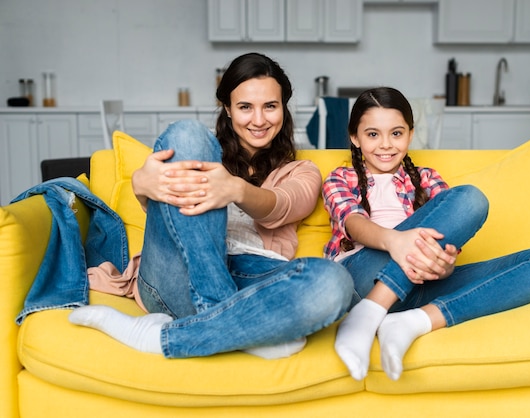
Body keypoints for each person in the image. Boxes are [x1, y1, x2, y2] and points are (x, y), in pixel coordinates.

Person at [69, 52, 353, 359]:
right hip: (176, 275)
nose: (259, 120)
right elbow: (168, 217)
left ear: (283, 108)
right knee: (186, 134)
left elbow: (280, 206)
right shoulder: (199, 155)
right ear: (228, 110)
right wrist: (141, 184)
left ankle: (173, 336)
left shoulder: (302, 170)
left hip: (253, 275)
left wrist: (233, 189)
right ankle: (236, 320)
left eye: (270, 106)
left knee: (334, 282)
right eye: (245, 107)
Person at [322, 87, 530, 381]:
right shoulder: (342, 177)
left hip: (421, 287)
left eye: (396, 133)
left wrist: (444, 264)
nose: (385, 144)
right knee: (472, 198)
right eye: (373, 134)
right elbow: (353, 223)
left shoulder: (426, 178)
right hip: (362, 277)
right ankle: (370, 309)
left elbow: (450, 230)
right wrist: (396, 241)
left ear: (410, 135)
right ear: (354, 137)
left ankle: (413, 321)